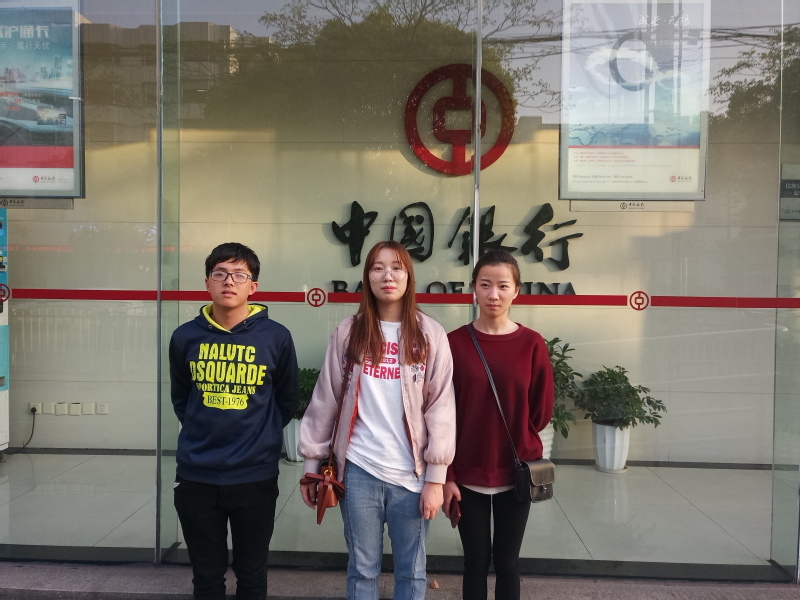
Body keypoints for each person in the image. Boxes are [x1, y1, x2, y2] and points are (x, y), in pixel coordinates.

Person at [298, 240, 456, 600]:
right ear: (367, 276)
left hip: (412, 477)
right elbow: (326, 398)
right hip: (358, 472)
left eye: (397, 267)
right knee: (362, 569)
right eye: (378, 267)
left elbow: (441, 408)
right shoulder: (349, 331)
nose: (388, 275)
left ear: (409, 277)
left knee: (412, 572)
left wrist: (436, 478)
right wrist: (311, 465)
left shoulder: (429, 334)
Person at [169, 242, 299, 600]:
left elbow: (287, 399)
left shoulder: (276, 337)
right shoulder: (185, 337)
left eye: (240, 275)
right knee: (206, 576)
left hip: (254, 476)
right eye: (220, 273)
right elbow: (182, 398)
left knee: (252, 572)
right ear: (207, 282)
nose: (229, 281)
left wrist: (262, 435)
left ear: (253, 286)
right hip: (197, 475)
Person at [443, 249, 554, 600]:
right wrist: (446, 475)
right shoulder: (453, 343)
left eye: (503, 286)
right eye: (485, 284)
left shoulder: (532, 344)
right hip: (467, 473)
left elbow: (541, 410)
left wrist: (519, 436)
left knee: (508, 563)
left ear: (516, 291)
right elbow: (441, 413)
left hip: (515, 471)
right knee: (475, 562)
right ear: (473, 288)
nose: (494, 294)